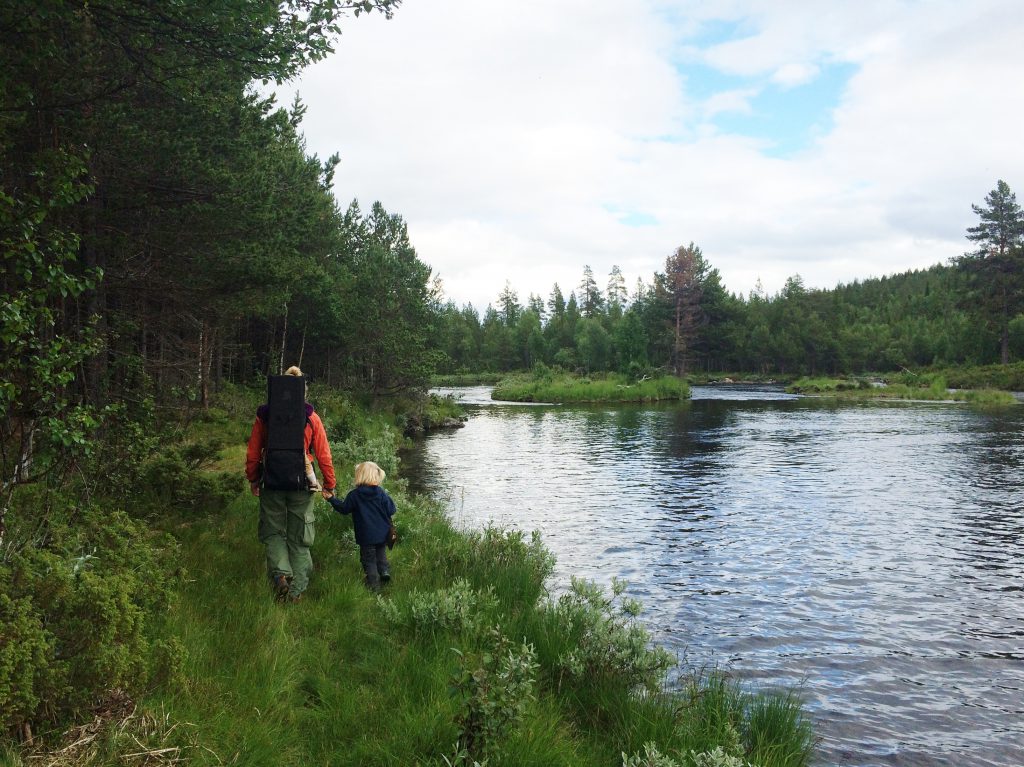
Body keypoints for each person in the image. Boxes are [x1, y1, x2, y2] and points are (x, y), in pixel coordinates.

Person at [245, 365, 336, 603]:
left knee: (273, 531)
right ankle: (297, 593)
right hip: (302, 483)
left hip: (272, 481)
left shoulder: (265, 415)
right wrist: (329, 484)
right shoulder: (310, 416)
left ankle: (281, 576)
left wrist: (254, 478)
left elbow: (254, 452)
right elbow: (324, 454)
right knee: (300, 535)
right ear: (302, 391)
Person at [325, 461, 396, 591]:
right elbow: (391, 510)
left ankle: (374, 584)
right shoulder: (381, 493)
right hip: (382, 533)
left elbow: (344, 509)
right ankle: (384, 571)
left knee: (368, 559)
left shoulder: (354, 495)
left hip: (366, 535)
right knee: (381, 552)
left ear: (359, 476)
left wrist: (331, 499)